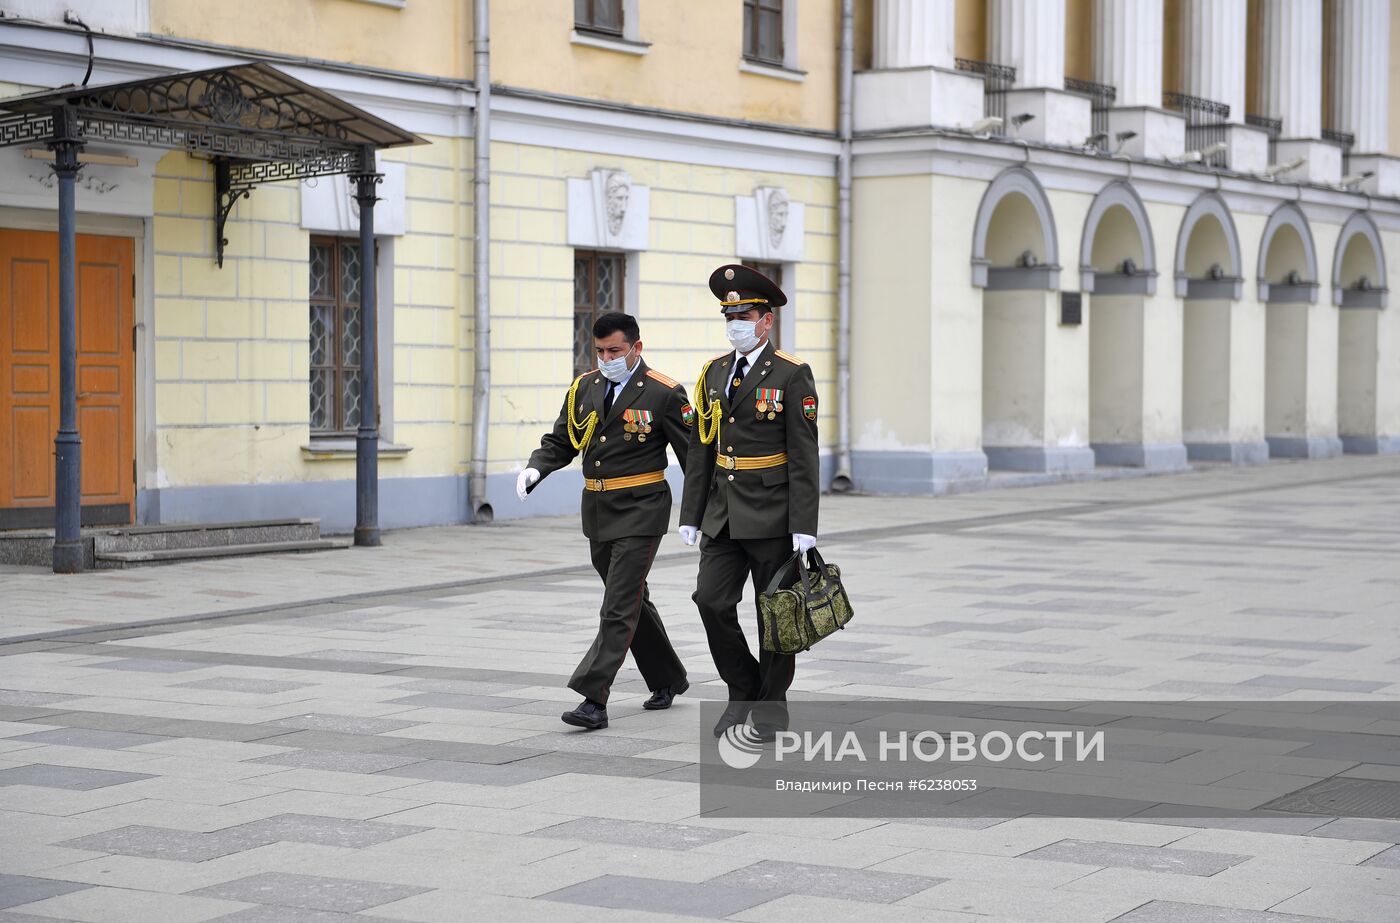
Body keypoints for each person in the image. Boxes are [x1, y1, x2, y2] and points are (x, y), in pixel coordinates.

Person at [517, 311, 694, 730]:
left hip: (642, 510)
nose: (606, 358)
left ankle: (592, 699)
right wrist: (536, 468)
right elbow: (562, 440)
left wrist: (699, 515)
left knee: (617, 606)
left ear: (636, 348)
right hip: (598, 512)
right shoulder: (584, 387)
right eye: (599, 350)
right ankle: (669, 677)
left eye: (615, 350)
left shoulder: (664, 393)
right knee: (632, 600)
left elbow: (694, 457)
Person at [679, 264, 820, 742]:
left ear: (767, 321)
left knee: (774, 613)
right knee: (710, 600)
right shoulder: (714, 372)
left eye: (745, 315)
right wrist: (690, 513)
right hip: (721, 513)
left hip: (773, 513)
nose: (735, 324)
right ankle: (742, 689)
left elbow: (804, 455)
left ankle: (771, 706)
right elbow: (702, 447)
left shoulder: (792, 374)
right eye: (729, 315)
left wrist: (804, 524)